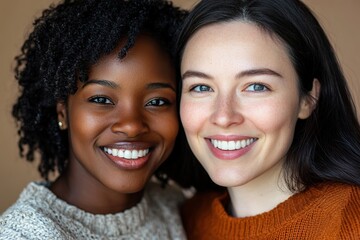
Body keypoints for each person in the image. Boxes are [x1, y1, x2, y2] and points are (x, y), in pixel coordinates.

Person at [0, 0, 188, 239]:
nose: (131, 126)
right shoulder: (26, 233)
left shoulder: (173, 206)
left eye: (157, 102)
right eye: (101, 100)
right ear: (62, 112)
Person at [176, 0, 360, 239]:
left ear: (308, 98)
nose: (223, 116)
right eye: (201, 87)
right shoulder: (180, 222)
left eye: (256, 86)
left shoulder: (350, 222)